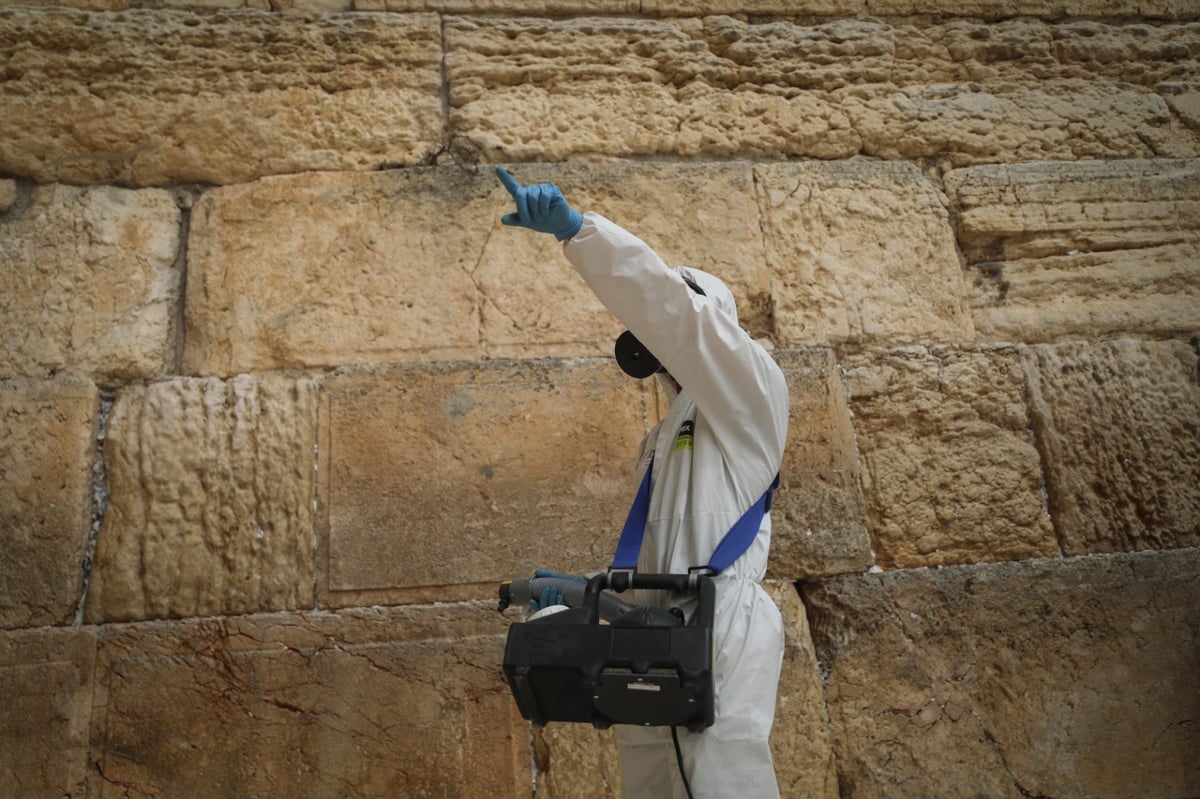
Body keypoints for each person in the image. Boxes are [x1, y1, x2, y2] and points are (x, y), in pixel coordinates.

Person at [496, 166, 789, 799]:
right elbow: (664, 548)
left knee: (720, 784)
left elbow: (676, 314)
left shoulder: (754, 392)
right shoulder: (664, 438)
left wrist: (580, 234)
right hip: (652, 635)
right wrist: (579, 598)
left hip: (721, 624)